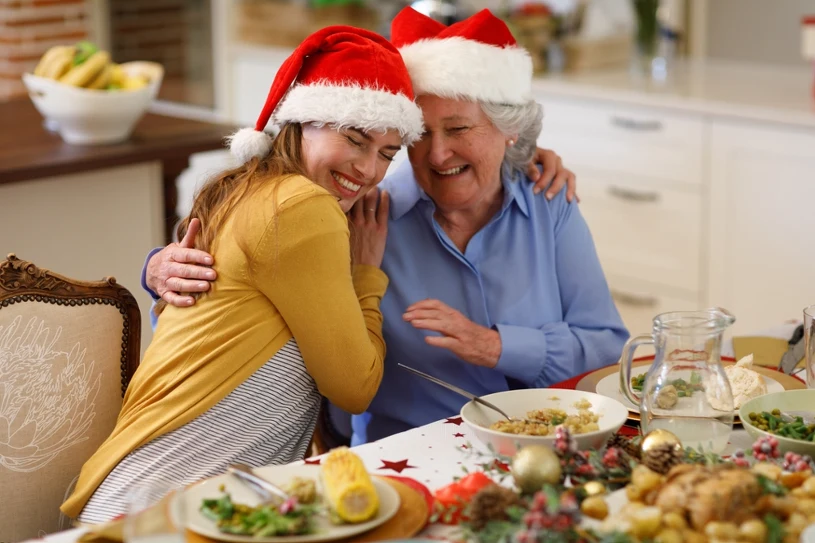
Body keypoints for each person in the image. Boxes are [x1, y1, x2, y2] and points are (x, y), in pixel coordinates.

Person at [144, 8, 628, 446]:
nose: (438, 154)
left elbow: (608, 350)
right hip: (407, 457)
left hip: (550, 445)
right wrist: (161, 270)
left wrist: (497, 346)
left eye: (458, 129)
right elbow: (236, 289)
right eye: (420, 137)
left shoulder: (548, 203)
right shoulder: (359, 208)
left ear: (509, 130)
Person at [60, 26, 424, 522]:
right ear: (299, 124)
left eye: (387, 153)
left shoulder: (243, 189)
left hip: (146, 497)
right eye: (354, 139)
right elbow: (355, 389)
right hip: (164, 506)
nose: (369, 170)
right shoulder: (304, 206)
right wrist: (365, 275)